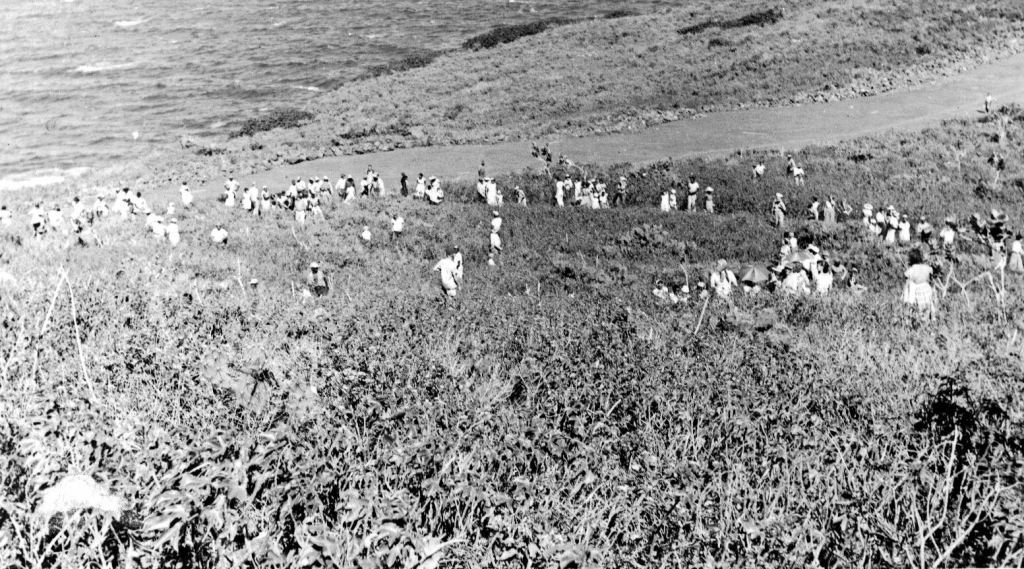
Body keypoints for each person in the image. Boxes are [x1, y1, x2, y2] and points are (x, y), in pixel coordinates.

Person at [902, 249, 936, 319]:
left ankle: (918, 320)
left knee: (918, 307)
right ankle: (929, 318)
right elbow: (931, 273)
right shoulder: (926, 267)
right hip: (926, 288)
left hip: (917, 290)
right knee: (928, 305)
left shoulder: (912, 269)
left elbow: (905, 276)